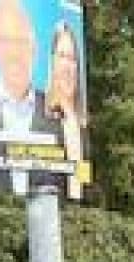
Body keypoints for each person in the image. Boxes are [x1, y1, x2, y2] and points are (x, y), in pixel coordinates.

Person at [0, 0, 41, 137]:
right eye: (6, 41)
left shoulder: (53, 110)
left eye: (21, 41)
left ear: (34, 49)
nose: (14, 52)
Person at [41, 19, 86, 166]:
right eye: (62, 56)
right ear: (52, 60)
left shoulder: (83, 122)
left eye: (72, 58)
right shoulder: (39, 114)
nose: (67, 66)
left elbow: (83, 176)